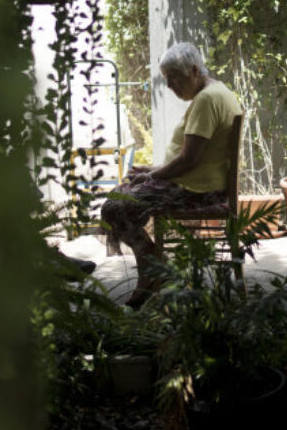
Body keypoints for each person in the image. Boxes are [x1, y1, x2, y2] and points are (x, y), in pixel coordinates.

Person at [102, 42, 243, 308]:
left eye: (173, 78)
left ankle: (152, 275)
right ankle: (156, 268)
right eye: (166, 79)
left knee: (115, 207)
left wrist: (154, 176)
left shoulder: (206, 100)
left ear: (193, 70)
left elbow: (189, 160)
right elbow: (192, 157)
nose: (168, 86)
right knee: (122, 194)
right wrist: (152, 171)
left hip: (197, 192)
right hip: (199, 184)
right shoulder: (218, 91)